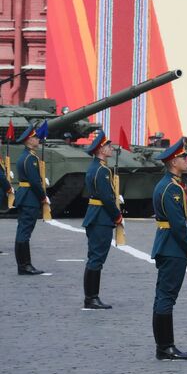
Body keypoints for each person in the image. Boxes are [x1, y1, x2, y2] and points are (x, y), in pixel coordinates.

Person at [151, 137, 187, 361]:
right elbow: (178, 224)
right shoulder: (173, 188)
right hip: (173, 247)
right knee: (167, 297)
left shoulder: (169, 184)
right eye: (183, 157)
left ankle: (163, 345)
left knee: (163, 296)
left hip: (167, 244)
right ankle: (166, 347)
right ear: (173, 162)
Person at [81, 130, 121, 309]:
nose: (111, 148)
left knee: (94, 257)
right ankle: (91, 298)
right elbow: (106, 197)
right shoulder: (102, 170)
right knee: (97, 258)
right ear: (100, 150)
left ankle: (91, 297)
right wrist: (117, 215)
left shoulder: (95, 167)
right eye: (108, 146)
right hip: (101, 217)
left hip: (95, 215)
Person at [13, 123, 48, 275]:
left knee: (23, 231)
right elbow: (34, 182)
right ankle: (25, 265)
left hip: (25, 196)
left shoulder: (25, 156)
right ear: (28, 140)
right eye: (35, 137)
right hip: (30, 198)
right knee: (24, 232)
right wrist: (43, 197)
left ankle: (24, 265)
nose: (38, 139)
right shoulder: (30, 158)